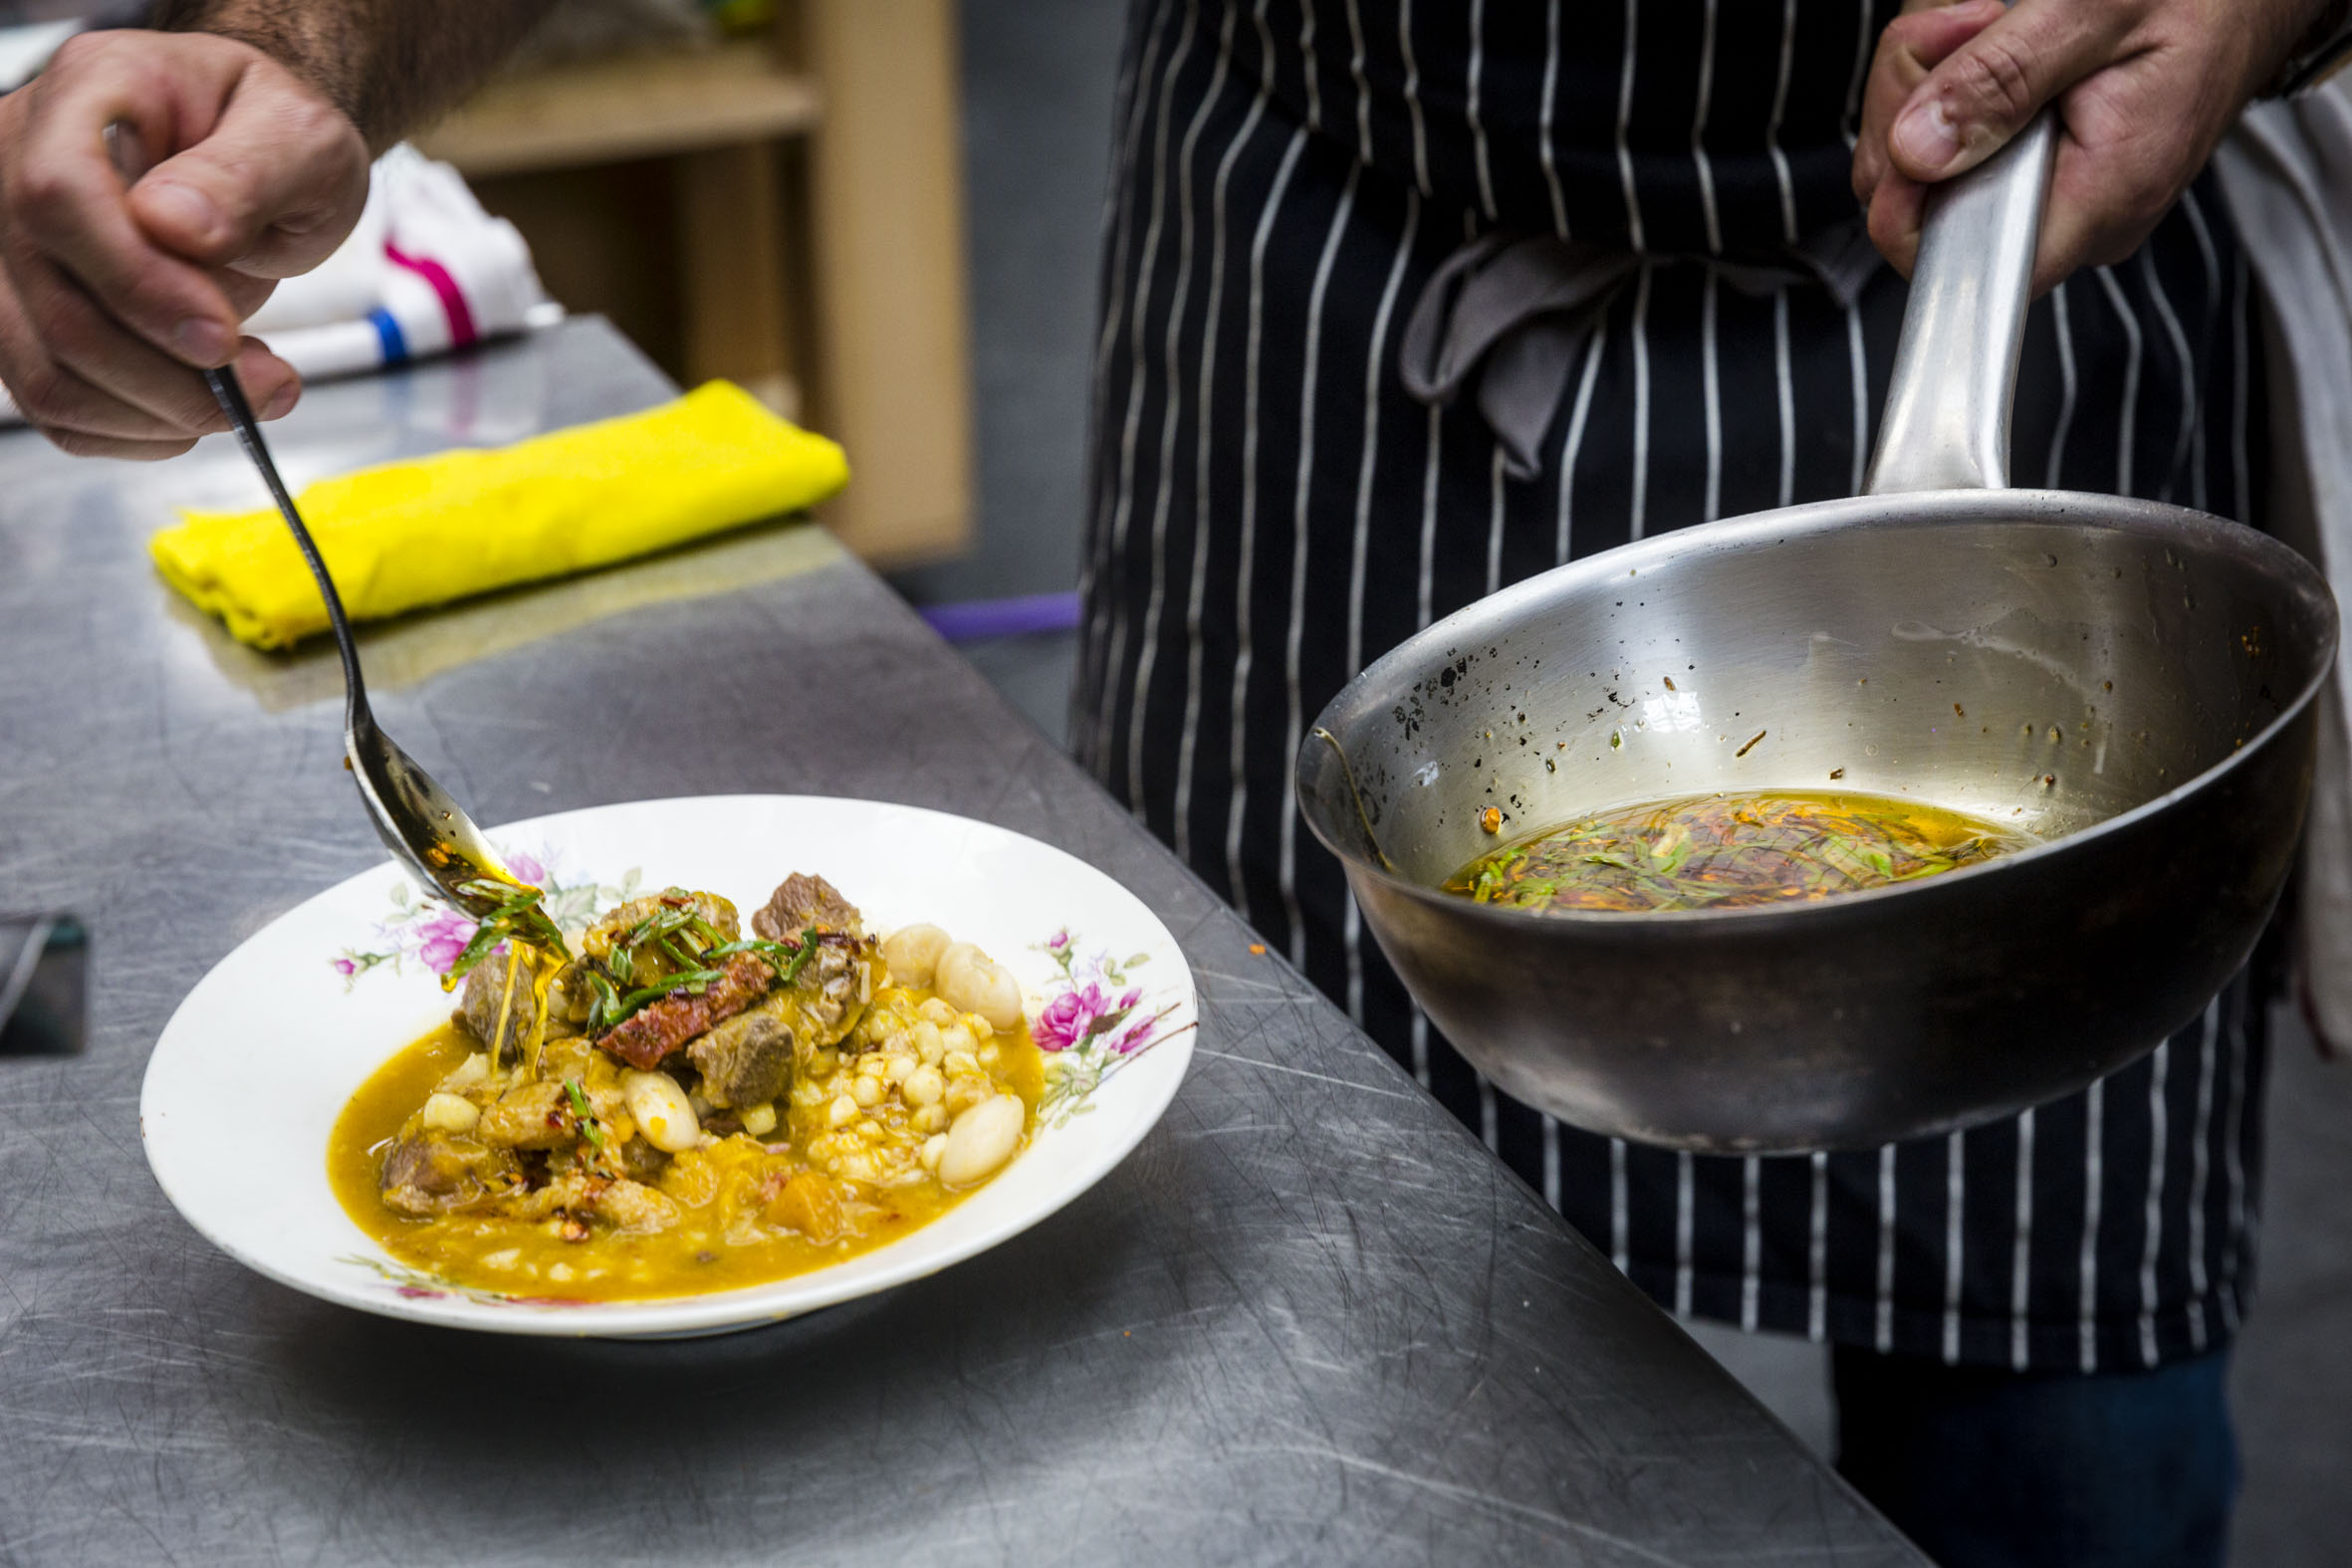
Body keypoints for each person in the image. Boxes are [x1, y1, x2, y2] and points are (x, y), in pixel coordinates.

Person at [0, 3, 2343, 1564]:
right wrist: (297, 45)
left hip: (2031, 334)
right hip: (1330, 308)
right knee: (1253, 1332)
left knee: (2064, 1431)